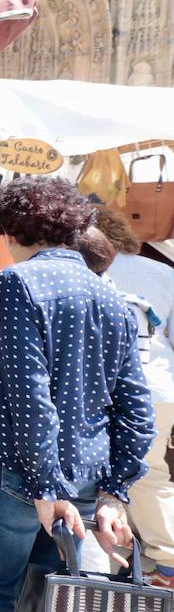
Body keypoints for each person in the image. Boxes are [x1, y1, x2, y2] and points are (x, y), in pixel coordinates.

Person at [0, 177, 153, 612]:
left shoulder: (19, 282)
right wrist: (116, 493)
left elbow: (30, 394)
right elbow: (137, 406)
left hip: (20, 477)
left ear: (16, 229)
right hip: (82, 481)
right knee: (45, 603)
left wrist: (46, 488)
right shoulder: (109, 296)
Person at [90, 208, 174, 588]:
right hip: (160, 384)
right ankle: (150, 560)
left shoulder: (88, 271)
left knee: (114, 474)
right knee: (148, 473)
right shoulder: (164, 273)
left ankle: (163, 559)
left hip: (109, 387)